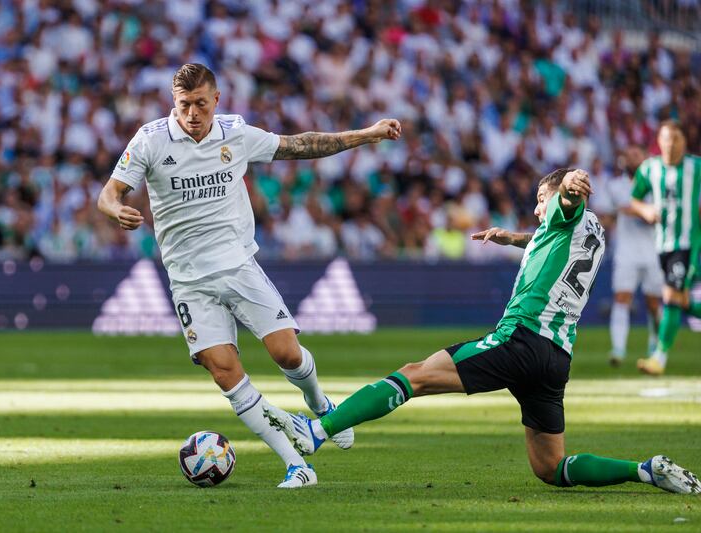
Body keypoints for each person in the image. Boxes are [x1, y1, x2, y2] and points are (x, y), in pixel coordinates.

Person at [264, 168, 700, 494]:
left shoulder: (568, 212)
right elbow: (547, 232)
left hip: (521, 337)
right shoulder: (591, 235)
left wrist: (569, 184)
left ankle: (316, 432)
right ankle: (643, 469)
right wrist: (512, 237)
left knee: (413, 374)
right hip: (555, 359)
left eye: (539, 199)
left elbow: (566, 203)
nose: (536, 208)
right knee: (551, 468)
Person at [97, 63, 402, 488]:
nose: (192, 114)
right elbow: (109, 193)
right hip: (188, 280)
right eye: (184, 105)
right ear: (173, 103)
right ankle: (298, 465)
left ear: (216, 100)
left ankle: (320, 404)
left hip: (239, 266)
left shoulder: (235, 134)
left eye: (201, 104)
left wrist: (366, 134)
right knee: (225, 371)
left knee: (287, 355)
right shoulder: (151, 140)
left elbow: (302, 145)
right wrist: (116, 210)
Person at [629, 121, 701, 376]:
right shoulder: (650, 169)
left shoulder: (696, 166)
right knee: (678, 299)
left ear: (684, 141)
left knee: (670, 296)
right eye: (666, 139)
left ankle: (658, 357)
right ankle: (658, 357)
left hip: (687, 244)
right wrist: (645, 209)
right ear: (659, 142)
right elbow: (634, 198)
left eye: (676, 139)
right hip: (662, 246)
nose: (671, 144)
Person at [606, 146, 663, 366]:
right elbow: (621, 210)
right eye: (629, 156)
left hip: (653, 250)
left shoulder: (655, 184)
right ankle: (618, 350)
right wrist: (643, 210)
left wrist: (633, 209)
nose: (632, 159)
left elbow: (653, 214)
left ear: (645, 160)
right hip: (626, 252)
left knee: (653, 303)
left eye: (636, 155)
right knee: (621, 298)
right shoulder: (615, 185)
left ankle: (655, 346)